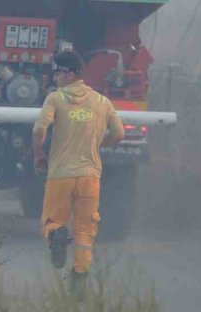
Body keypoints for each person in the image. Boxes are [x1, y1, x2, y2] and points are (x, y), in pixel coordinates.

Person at [32, 50, 125, 301]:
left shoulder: (56, 98)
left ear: (71, 73)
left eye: (59, 72)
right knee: (85, 231)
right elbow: (119, 134)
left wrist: (38, 154)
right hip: (90, 177)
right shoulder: (102, 101)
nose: (56, 76)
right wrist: (98, 145)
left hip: (61, 174)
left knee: (52, 220)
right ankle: (79, 279)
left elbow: (40, 127)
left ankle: (57, 234)